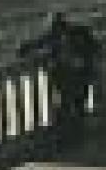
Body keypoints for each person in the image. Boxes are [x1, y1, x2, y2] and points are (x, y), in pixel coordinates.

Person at [18, 11, 101, 150]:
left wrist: (83, 62)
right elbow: (37, 43)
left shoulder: (77, 33)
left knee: (73, 106)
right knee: (71, 106)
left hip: (78, 77)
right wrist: (25, 48)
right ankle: (71, 137)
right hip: (70, 78)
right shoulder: (65, 35)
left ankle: (71, 137)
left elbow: (94, 48)